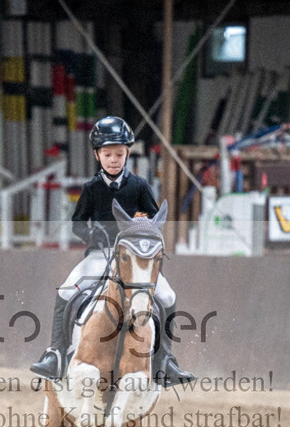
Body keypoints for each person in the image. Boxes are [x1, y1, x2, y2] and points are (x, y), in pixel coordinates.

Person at [29, 115, 194, 387]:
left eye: (119, 154)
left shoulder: (139, 186)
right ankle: (56, 353)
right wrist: (93, 233)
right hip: (100, 254)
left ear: (127, 153)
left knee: (167, 295)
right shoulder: (92, 188)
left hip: (135, 256)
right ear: (98, 155)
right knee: (66, 291)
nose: (114, 159)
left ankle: (166, 360)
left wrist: (144, 225)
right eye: (108, 154)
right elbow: (77, 224)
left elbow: (155, 222)